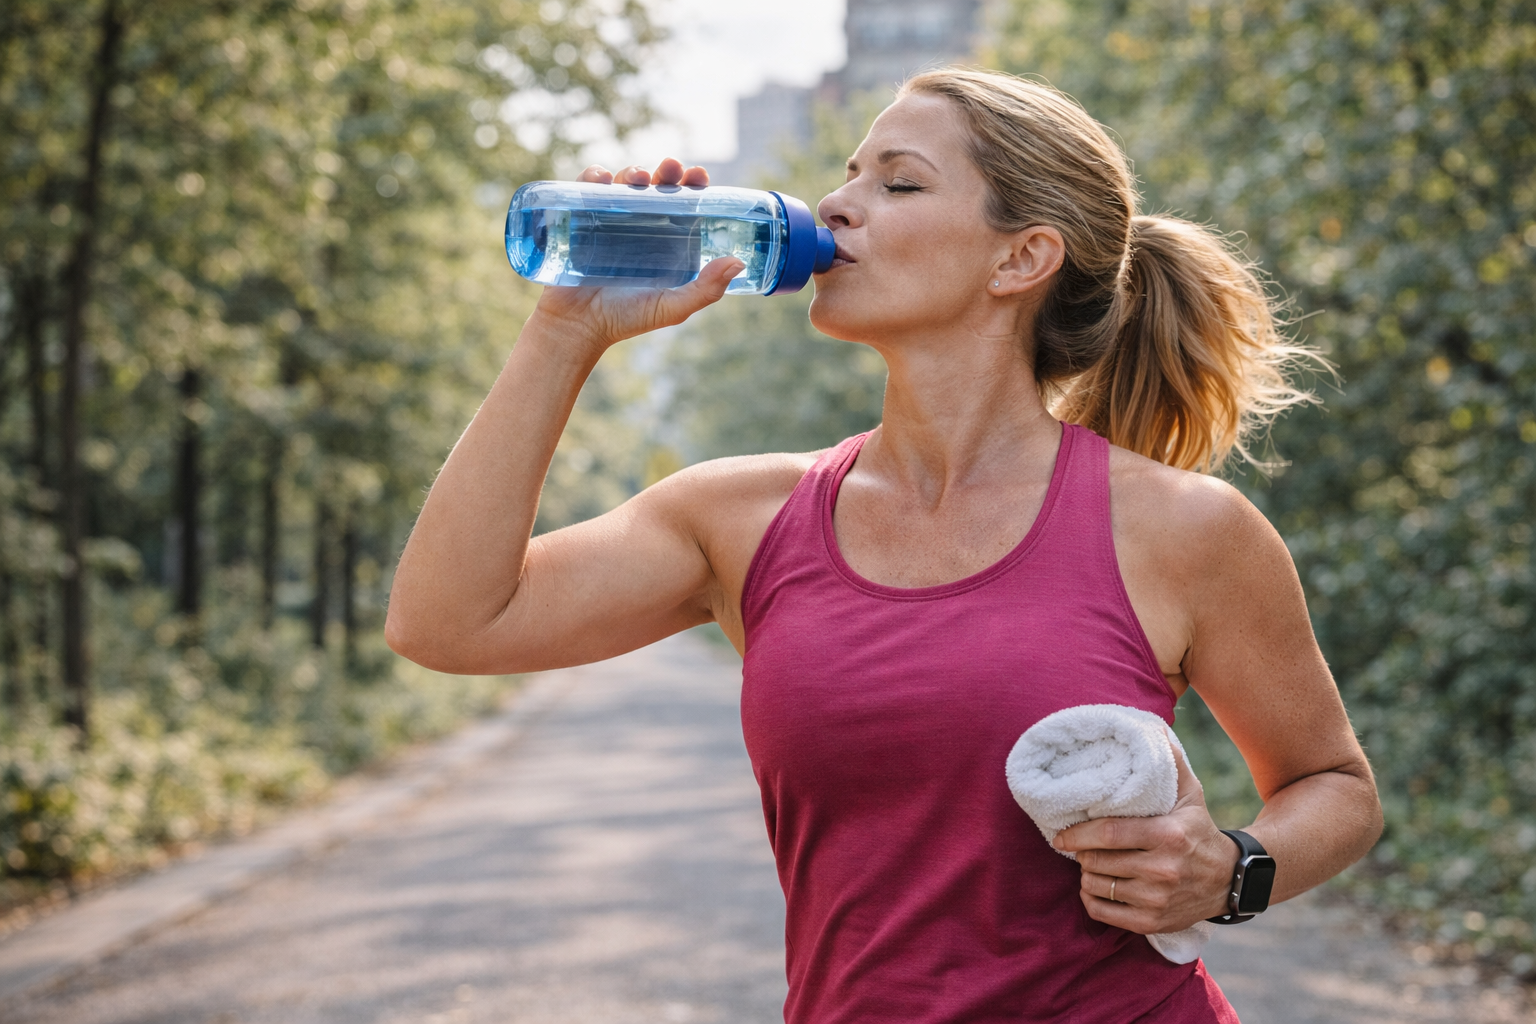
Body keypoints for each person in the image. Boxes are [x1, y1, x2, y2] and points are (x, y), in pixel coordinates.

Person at [387, 67, 1383, 1023]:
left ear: (1020, 258)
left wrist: (1234, 867)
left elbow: (1334, 787)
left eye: (897, 181)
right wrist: (566, 330)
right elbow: (448, 620)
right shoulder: (740, 517)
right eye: (851, 173)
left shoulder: (1184, 529)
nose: (838, 202)